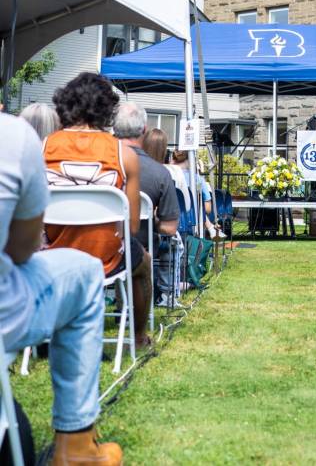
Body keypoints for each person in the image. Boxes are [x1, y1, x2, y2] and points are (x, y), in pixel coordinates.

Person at [0, 111, 123, 464]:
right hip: (10, 307)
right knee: (86, 271)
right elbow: (21, 248)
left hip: (53, 242)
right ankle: (76, 445)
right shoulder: (15, 137)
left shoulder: (48, 146)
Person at [44, 72, 153, 350]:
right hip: (105, 259)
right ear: (107, 109)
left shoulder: (42, 147)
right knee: (145, 262)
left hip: (52, 256)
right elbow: (131, 228)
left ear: (65, 104)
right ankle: (138, 338)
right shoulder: (123, 154)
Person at [113, 104, 179, 305]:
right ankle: (137, 327)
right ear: (144, 130)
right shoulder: (159, 173)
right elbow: (170, 227)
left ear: (114, 129)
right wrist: (152, 218)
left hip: (93, 247)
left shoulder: (98, 166)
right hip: (138, 249)